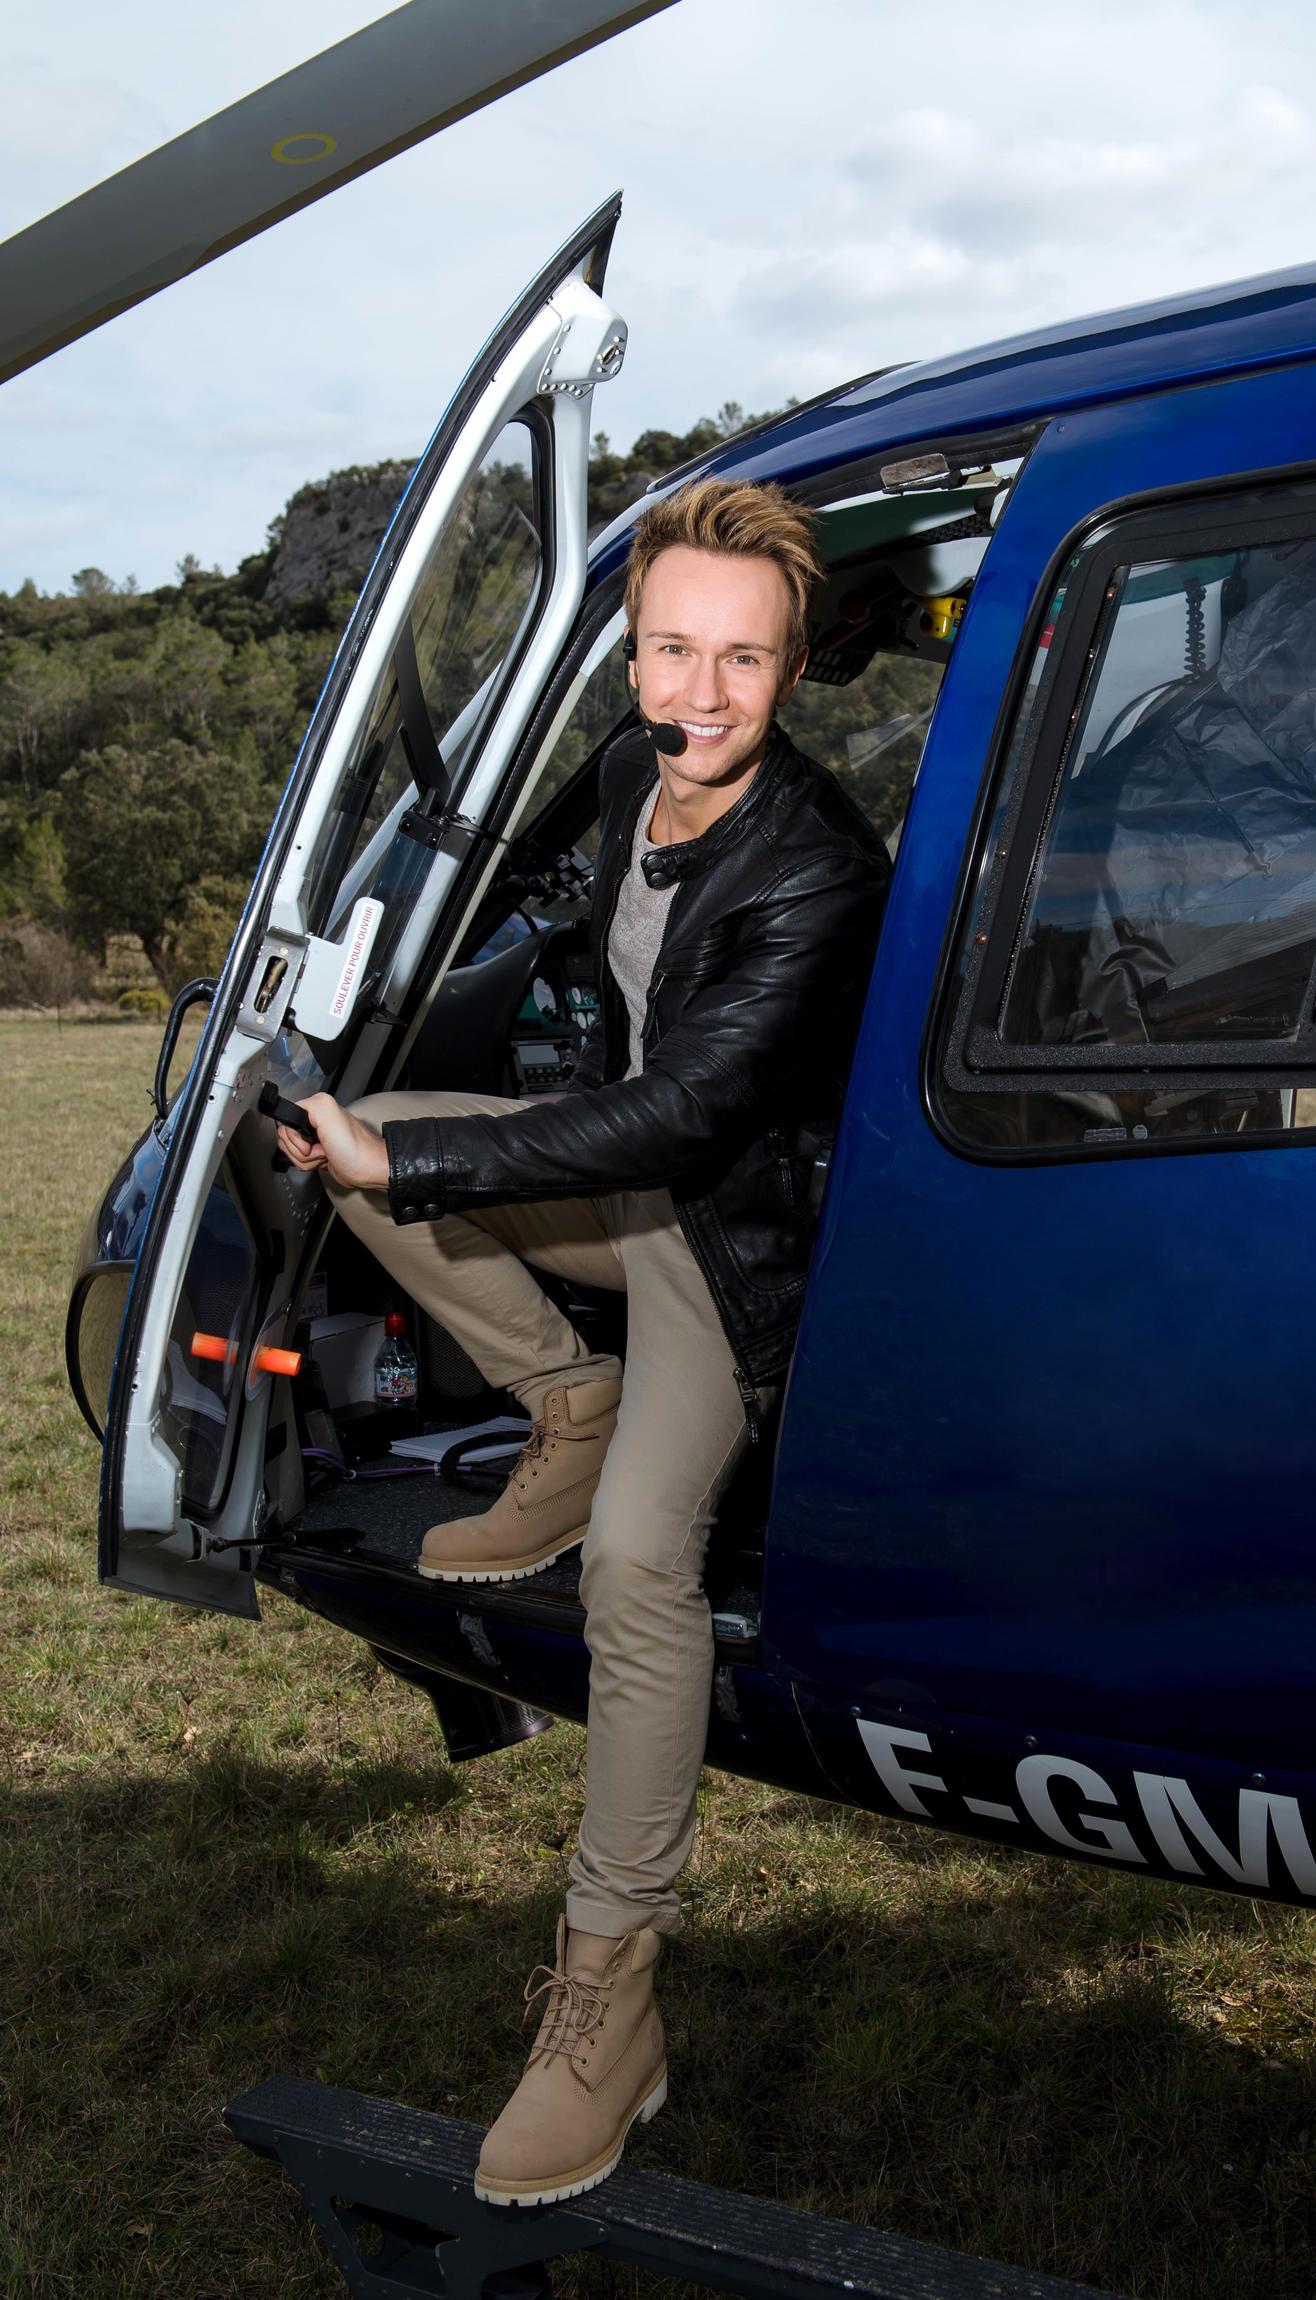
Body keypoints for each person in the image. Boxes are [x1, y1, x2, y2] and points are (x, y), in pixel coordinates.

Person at [276, 476, 892, 2206]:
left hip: (728, 1244)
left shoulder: (819, 866)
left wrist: (430, 1151)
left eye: (744, 661)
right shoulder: (636, 767)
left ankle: (608, 1999)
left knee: (635, 1565)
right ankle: (565, 1400)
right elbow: (539, 868)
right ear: (628, 656)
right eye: (671, 650)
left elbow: (682, 1113)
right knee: (366, 1141)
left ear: (794, 666)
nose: (701, 694)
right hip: (625, 1180)